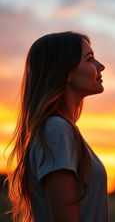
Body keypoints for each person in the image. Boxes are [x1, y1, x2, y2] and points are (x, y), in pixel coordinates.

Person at [7, 31, 108, 222]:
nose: (101, 66)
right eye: (90, 59)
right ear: (66, 73)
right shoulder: (56, 130)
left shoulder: (62, 129)